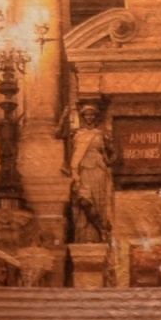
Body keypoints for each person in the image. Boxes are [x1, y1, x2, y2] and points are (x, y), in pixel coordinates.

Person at [67, 105, 114, 245]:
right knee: (84, 201)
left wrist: (110, 161)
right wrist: (64, 116)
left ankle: (98, 235)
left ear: (95, 117)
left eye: (92, 115)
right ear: (83, 117)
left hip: (99, 170)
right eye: (86, 115)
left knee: (98, 202)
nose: (89, 117)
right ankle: (94, 232)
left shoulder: (101, 134)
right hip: (82, 169)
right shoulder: (77, 134)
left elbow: (110, 153)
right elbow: (59, 136)